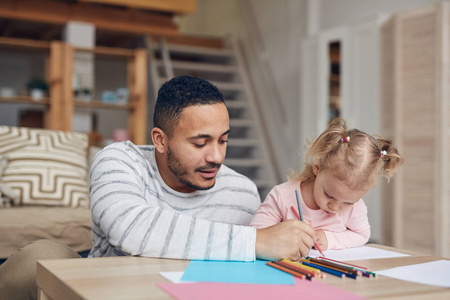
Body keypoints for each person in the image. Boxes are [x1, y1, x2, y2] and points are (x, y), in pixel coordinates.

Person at [0, 75, 315, 300]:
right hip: (110, 290)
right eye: (200, 142)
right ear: (160, 140)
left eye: (223, 140)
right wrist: (256, 240)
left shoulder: (241, 190)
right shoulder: (119, 160)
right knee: (39, 255)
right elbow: (128, 228)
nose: (216, 156)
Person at [250, 118, 404, 250]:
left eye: (348, 202)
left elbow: (362, 235)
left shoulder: (356, 208)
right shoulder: (282, 196)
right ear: (317, 167)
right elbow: (255, 234)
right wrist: (287, 231)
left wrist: (329, 239)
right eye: (329, 195)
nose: (335, 207)